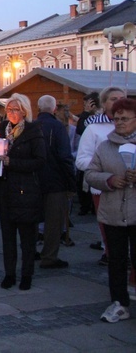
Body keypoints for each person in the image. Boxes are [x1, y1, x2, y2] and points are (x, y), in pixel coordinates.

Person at [0, 93, 46, 291]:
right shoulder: (1, 130)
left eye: (15, 110)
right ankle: (9, 273)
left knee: (27, 238)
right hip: (6, 190)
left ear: (24, 111)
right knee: (7, 236)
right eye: (9, 110)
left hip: (26, 190)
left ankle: (26, 274)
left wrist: (14, 163)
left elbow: (40, 161)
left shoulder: (33, 131)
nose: (11, 113)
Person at [85, 98, 136, 323]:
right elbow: (90, 174)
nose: (119, 122)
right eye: (116, 118)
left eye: (125, 118)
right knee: (116, 260)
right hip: (113, 213)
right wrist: (110, 180)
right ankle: (119, 303)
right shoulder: (105, 146)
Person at [76, 86, 127, 266]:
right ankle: (112, 256)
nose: (118, 101)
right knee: (110, 229)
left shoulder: (131, 126)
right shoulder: (94, 128)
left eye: (122, 98)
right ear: (104, 104)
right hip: (105, 187)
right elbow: (81, 159)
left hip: (130, 187)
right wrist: (103, 171)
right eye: (113, 99)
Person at [35, 95, 75, 270]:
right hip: (55, 180)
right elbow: (65, 157)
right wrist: (71, 183)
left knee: (32, 218)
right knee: (53, 221)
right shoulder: (57, 127)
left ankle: (30, 251)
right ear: (54, 109)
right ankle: (49, 256)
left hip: (34, 180)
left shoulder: (31, 126)